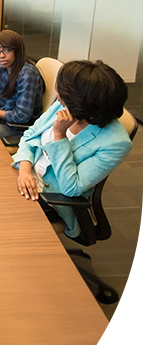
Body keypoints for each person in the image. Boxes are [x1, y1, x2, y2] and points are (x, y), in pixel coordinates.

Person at [12, 60, 132, 241]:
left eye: (62, 92)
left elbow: (71, 187)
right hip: (25, 176)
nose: (57, 94)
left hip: (51, 198)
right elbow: (30, 135)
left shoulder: (115, 142)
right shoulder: (64, 105)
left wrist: (60, 135)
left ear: (81, 101)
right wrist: (25, 169)